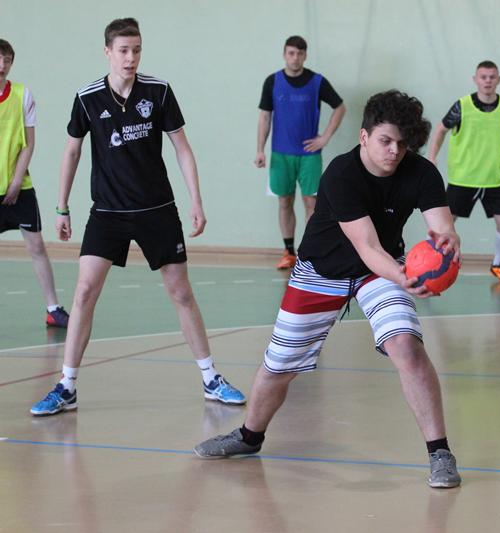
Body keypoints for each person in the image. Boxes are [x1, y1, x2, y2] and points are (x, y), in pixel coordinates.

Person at [196, 90, 462, 489]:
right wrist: (405, 276)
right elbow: (367, 247)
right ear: (364, 136)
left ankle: (440, 452)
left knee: (406, 346)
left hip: (380, 273)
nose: (394, 151)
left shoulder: (422, 173)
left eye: (402, 144)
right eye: (386, 141)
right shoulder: (341, 174)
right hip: (323, 270)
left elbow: (441, 227)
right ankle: (249, 436)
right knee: (279, 365)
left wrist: (449, 240)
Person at [29, 18, 245, 416]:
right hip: (107, 212)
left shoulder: (158, 92)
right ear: (107, 52)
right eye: (124, 50)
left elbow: (182, 148)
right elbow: (72, 151)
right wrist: (62, 206)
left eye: (137, 50)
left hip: (157, 210)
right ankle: (67, 386)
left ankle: (211, 378)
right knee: (84, 293)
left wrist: (196, 200)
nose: (131, 58)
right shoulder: (87, 98)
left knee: (181, 293)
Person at [427, 60, 500, 283]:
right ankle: (430, 263)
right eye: (483, 77)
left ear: (499, 80)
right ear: (475, 80)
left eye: (492, 77)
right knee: (443, 224)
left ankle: (497, 264)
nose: (488, 81)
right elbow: (440, 129)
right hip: (463, 178)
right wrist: (432, 156)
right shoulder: (462, 106)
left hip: (496, 179)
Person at [255, 35, 346, 270]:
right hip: (281, 154)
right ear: (284, 54)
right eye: (291, 53)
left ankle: (310, 253)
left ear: (305, 55)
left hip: (309, 155)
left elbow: (340, 107)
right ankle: (289, 252)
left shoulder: (317, 82)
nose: (295, 58)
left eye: (299, 53)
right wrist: (260, 150)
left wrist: (325, 137)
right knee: (285, 201)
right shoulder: (272, 82)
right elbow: (265, 117)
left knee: (312, 203)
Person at [0, 39, 69, 328]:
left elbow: (28, 143)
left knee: (37, 245)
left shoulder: (22, 95)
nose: (1, 65)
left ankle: (53, 309)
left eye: (6, 60)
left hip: (19, 187)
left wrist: (17, 180)